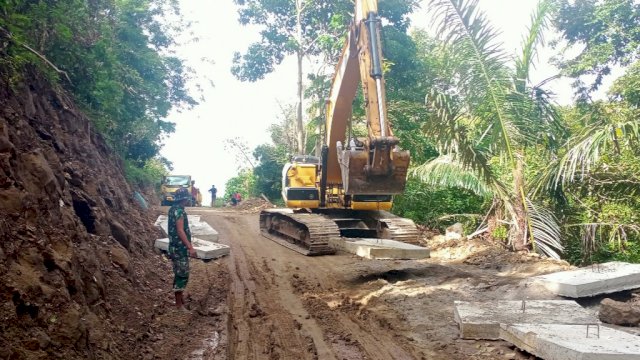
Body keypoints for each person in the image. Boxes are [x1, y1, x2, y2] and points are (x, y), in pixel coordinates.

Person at [167, 187, 197, 312]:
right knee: (182, 274)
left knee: (179, 272)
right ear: (184, 199)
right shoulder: (179, 211)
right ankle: (179, 305)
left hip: (174, 247)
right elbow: (180, 230)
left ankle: (180, 300)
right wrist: (190, 247)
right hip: (179, 248)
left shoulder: (172, 209)